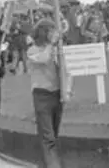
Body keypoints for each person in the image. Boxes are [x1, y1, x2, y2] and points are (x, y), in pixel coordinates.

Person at [27, 19, 72, 168]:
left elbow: (66, 70)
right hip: (42, 95)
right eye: (50, 30)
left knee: (54, 134)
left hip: (57, 95)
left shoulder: (55, 49)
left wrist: (67, 91)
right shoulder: (32, 50)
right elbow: (44, 59)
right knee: (49, 137)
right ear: (43, 32)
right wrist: (52, 45)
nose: (54, 33)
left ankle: (44, 164)